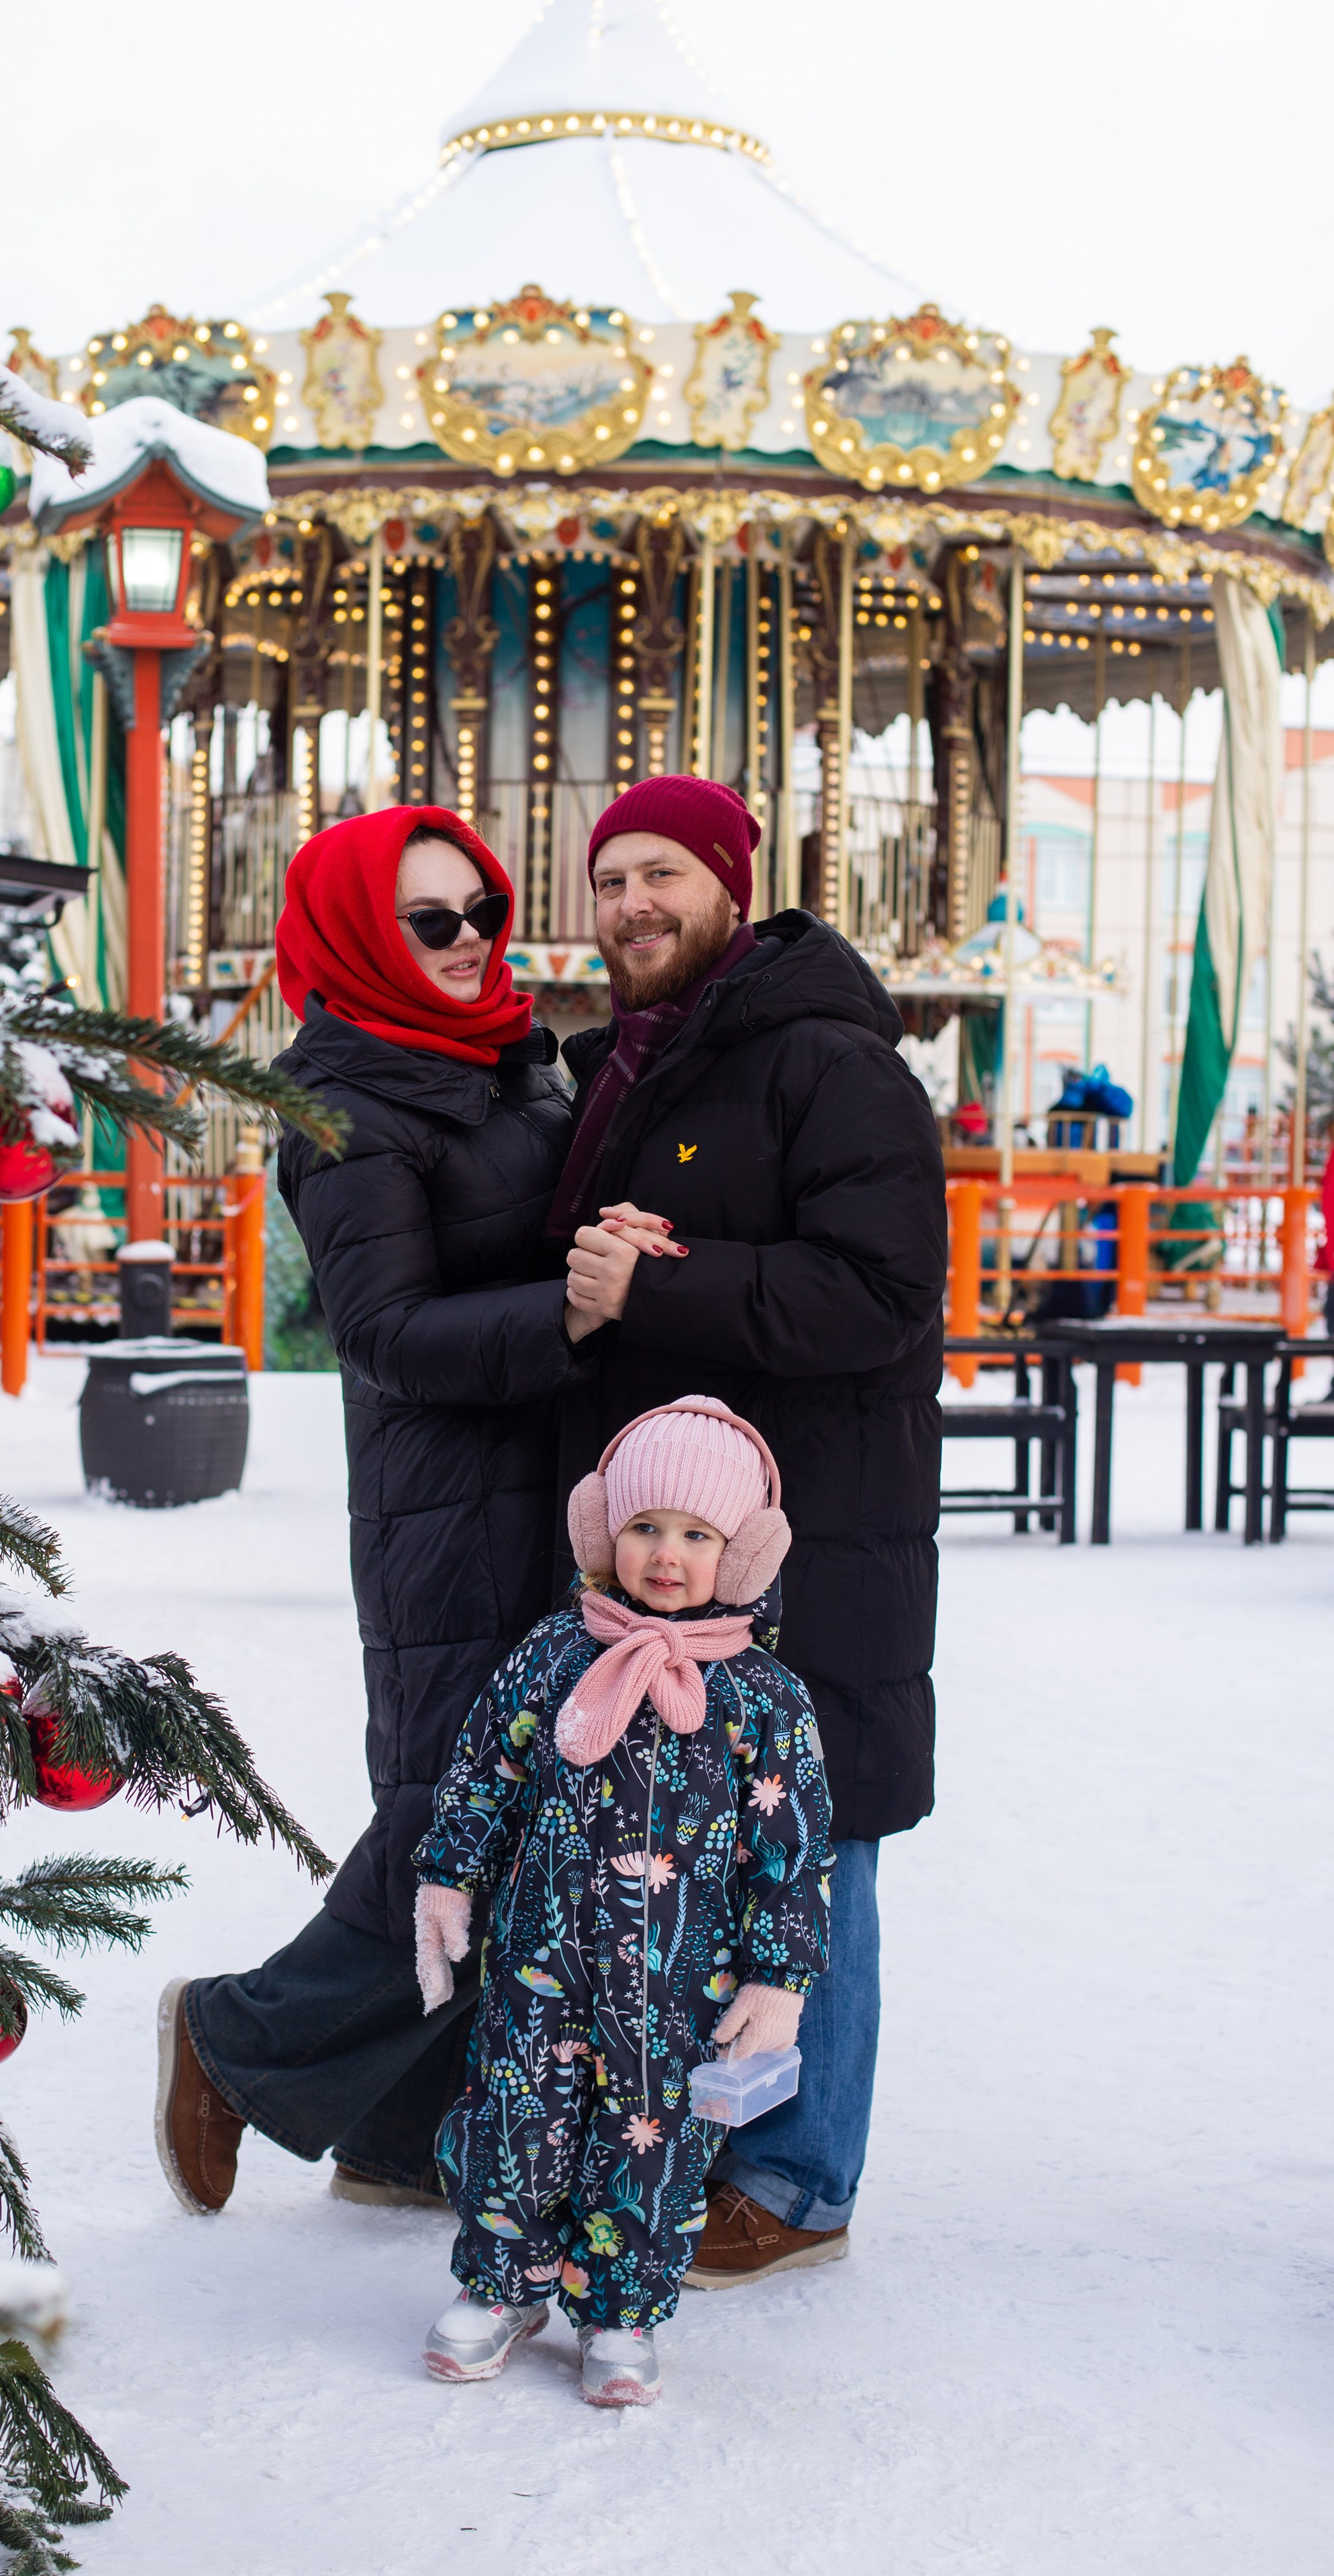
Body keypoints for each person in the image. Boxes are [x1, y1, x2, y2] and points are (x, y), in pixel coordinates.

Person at [154, 804, 591, 2215]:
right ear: (356, 935)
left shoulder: (512, 1060)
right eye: (430, 921)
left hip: (557, 1490)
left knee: (511, 1804)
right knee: (450, 1816)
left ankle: (401, 2133)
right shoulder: (341, 1107)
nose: (468, 944)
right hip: (447, 1504)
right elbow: (387, 1330)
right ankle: (237, 2038)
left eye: (481, 911)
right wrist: (576, 1310)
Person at [550, 774, 946, 2290]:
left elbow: (880, 1292)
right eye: (607, 881)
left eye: (661, 873)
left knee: (812, 1844)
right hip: (683, 1543)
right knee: (705, 1847)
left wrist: (655, 1285)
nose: (631, 905)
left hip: (816, 1532)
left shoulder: (824, 1063)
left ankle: (795, 2172)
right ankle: (715, 2139)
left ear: (729, 884)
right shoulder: (651, 1066)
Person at [411, 1395, 830, 2407]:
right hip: (540, 1963)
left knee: (652, 2140)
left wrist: (780, 1981)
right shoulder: (555, 1655)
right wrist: (447, 1877)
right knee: (519, 2117)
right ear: (604, 1532)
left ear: (741, 1554)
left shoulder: (764, 1699)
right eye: (644, 1527)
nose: (665, 1554)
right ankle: (503, 2282)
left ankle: (622, 2308)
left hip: (683, 1981)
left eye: (697, 1535)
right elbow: (483, 1774)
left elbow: (796, 1848)